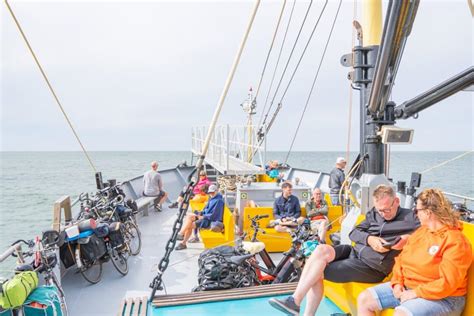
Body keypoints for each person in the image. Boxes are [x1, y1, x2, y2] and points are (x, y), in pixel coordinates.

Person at [269, 184, 420, 316]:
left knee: (318, 271)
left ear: (397, 202)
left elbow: (434, 230)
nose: (383, 214)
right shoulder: (374, 213)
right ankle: (295, 300)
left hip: (371, 266)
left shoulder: (412, 218)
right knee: (321, 250)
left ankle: (302, 310)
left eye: (386, 210)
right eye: (380, 210)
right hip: (354, 252)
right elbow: (354, 233)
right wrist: (369, 239)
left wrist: (409, 238)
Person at [357, 189, 472, 316]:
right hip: (409, 287)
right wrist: (397, 283)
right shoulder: (421, 232)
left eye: (417, 210)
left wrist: (415, 293)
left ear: (428, 212)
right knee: (364, 299)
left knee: (402, 313)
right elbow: (401, 260)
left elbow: (448, 283)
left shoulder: (455, 241)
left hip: (445, 299)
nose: (416, 214)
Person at [175, 184, 224, 250]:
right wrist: (200, 213)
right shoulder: (212, 198)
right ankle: (182, 236)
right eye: (210, 192)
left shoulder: (219, 201)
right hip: (205, 217)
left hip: (209, 220)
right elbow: (206, 209)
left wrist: (202, 216)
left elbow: (214, 215)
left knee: (190, 225)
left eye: (213, 192)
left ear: (216, 191)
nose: (211, 194)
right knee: (189, 217)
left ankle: (182, 240)